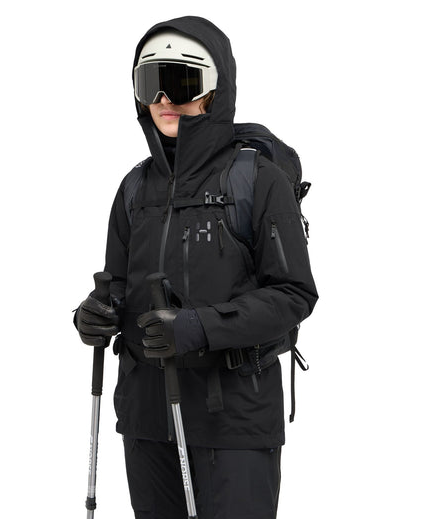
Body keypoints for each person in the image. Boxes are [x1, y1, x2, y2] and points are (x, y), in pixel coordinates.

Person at [74, 15, 318, 519]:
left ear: (214, 90)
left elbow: (294, 295)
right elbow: (117, 285)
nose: (164, 99)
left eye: (182, 82)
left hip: (235, 422)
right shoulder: (135, 187)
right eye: (150, 83)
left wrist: (199, 327)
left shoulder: (258, 180)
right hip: (147, 416)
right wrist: (96, 314)